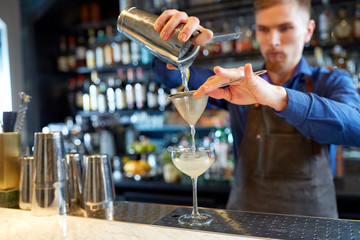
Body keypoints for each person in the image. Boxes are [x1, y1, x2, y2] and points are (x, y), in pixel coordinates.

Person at [152, 0, 360, 218]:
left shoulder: (331, 80)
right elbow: (170, 75)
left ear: (308, 31)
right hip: (244, 224)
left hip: (313, 227)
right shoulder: (235, 80)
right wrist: (170, 43)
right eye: (263, 30)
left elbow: (356, 128)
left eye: (285, 28)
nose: (273, 41)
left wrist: (279, 97)